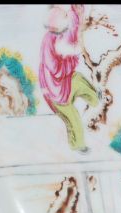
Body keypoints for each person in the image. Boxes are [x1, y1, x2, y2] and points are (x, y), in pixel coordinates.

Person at [39, 4, 99, 152]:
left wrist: (78, 13)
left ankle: (97, 102)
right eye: (65, 16)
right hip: (55, 92)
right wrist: (70, 59)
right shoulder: (50, 40)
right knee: (73, 118)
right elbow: (55, 67)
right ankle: (78, 146)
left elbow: (73, 29)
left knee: (80, 81)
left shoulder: (60, 34)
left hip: (65, 82)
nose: (68, 18)